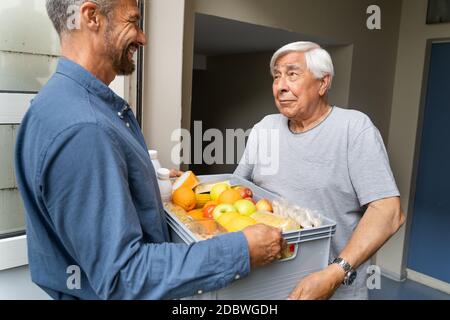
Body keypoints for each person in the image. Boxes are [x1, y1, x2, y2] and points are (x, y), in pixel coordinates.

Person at [14, 0, 284, 300]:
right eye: (133, 21)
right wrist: (240, 250)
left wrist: (141, 182)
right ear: (91, 17)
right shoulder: (86, 128)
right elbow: (124, 276)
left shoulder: (54, 103)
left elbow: (77, 209)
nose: (142, 37)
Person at [235, 41, 406, 300]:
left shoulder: (354, 129)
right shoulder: (264, 128)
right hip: (267, 282)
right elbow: (237, 190)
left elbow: (388, 212)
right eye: (277, 76)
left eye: (292, 74)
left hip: (333, 287)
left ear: (323, 83)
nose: (280, 86)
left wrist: (335, 273)